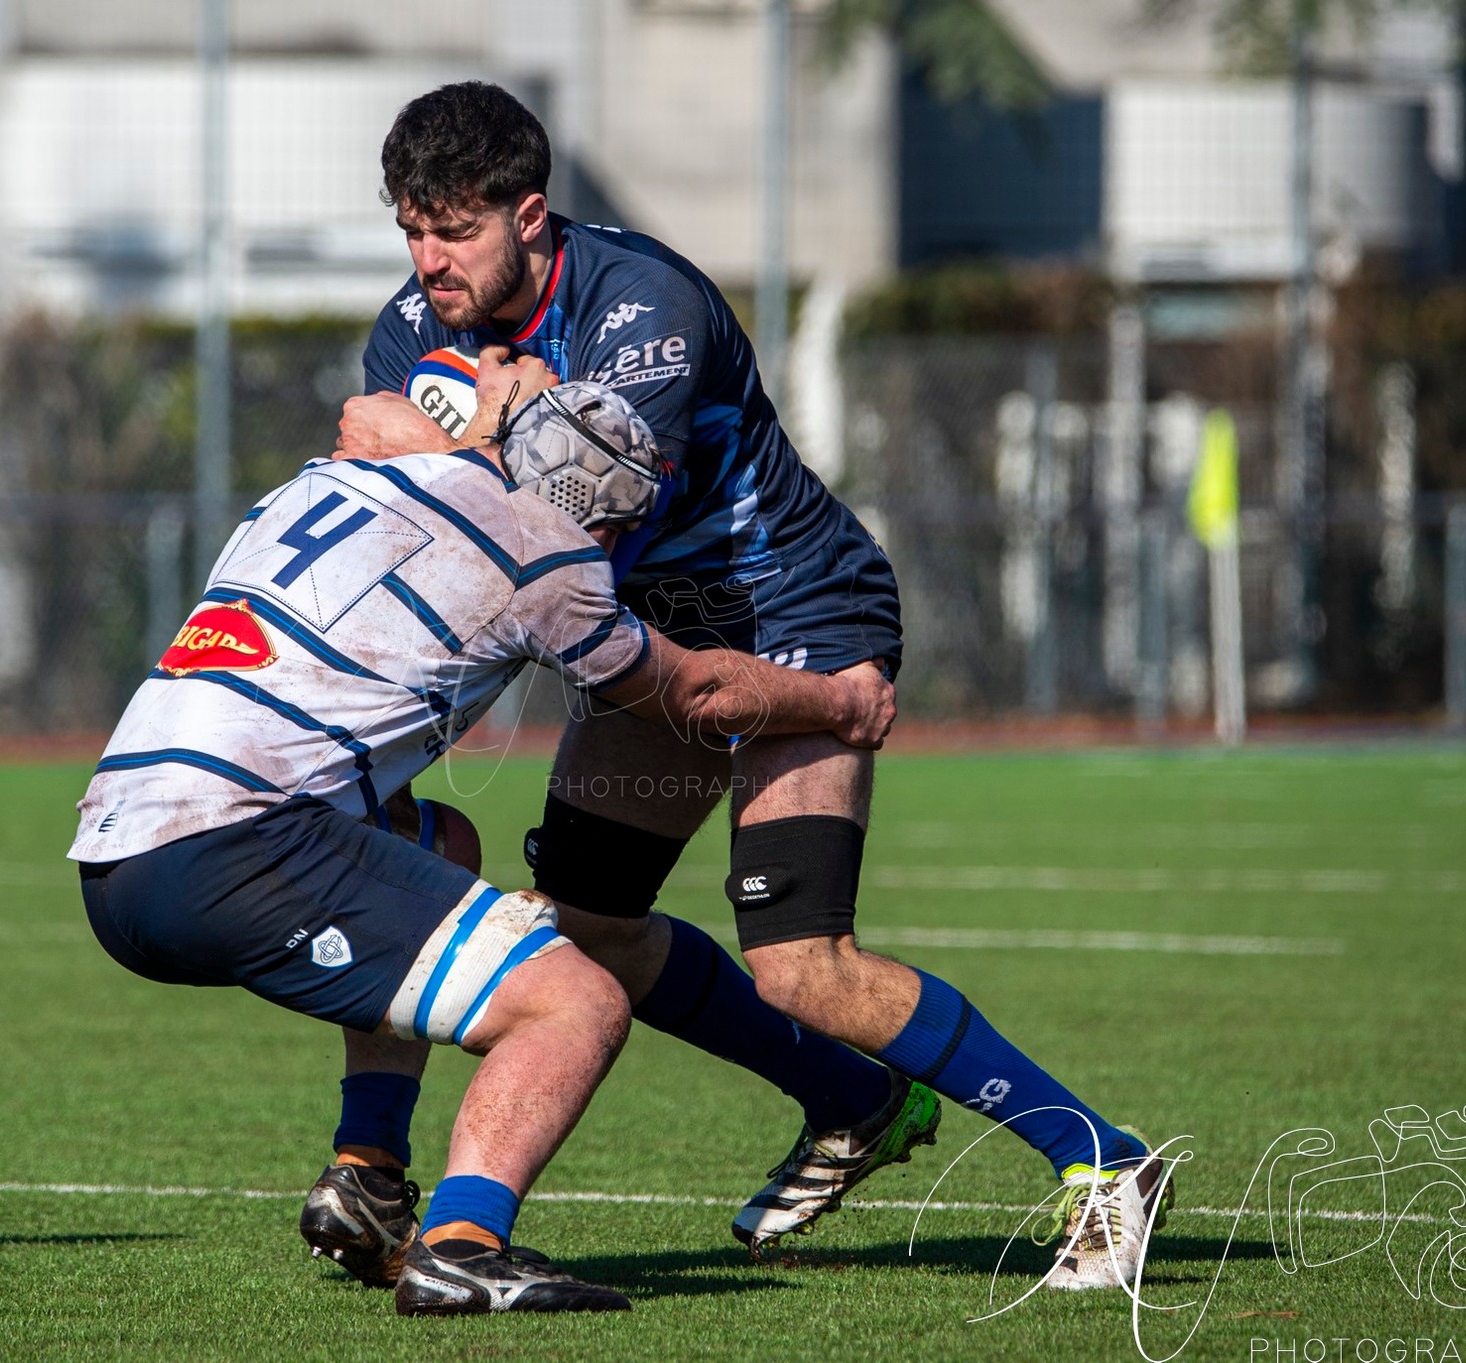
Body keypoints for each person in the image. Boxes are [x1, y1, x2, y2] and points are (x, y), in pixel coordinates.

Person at [322, 81, 1173, 1292]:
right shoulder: (414, 326)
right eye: (409, 228)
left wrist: (457, 441)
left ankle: (1105, 1161)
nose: (427, 260)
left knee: (801, 961)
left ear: (529, 213)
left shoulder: (645, 304)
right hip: (648, 640)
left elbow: (585, 492)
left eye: (452, 230)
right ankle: (851, 1100)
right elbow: (429, 517)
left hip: (795, 620)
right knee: (582, 929)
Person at [68, 383, 898, 1315]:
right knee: (576, 999)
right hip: (237, 842)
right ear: (611, 515)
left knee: (443, 842)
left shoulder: (325, 482)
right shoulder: (550, 550)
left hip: (114, 846)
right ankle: (464, 1245)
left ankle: (370, 1170)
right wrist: (842, 703)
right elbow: (695, 695)